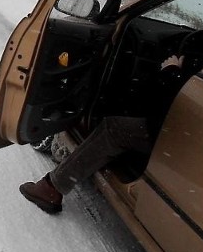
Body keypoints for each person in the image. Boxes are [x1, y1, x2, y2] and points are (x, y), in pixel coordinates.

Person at [19, 54, 188, 214]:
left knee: (113, 129)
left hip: (173, 135)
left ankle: (52, 188)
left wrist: (171, 71)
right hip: (183, 137)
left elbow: (167, 101)